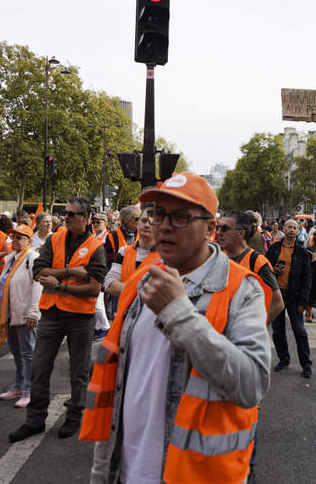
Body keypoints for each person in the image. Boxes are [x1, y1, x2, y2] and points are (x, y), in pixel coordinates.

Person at [82, 172, 270, 484]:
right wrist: (100, 473)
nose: (164, 225)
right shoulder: (141, 281)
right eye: (158, 214)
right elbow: (116, 390)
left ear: (210, 228)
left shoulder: (242, 290)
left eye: (181, 216)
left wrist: (179, 314)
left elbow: (251, 385)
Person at [9, 197, 106, 443]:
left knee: (79, 371)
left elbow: (94, 288)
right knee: (40, 369)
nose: (68, 217)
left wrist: (59, 285)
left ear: (85, 218)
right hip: (51, 313)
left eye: (73, 214)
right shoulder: (55, 239)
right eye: (66, 213)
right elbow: (39, 271)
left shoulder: (96, 247)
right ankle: (35, 420)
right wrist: (71, 274)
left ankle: (74, 416)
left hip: (80, 317)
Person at [0, 223, 42, 409]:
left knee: (28, 353)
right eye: (13, 237)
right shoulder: (11, 258)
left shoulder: (33, 258)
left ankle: (29, 389)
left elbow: (38, 286)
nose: (15, 240)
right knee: (17, 352)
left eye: (20, 237)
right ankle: (19, 385)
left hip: (24, 314)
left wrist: (33, 312)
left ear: (29, 240)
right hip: (10, 313)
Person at [216, 210, 284, 323]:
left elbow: (278, 304)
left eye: (224, 228)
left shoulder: (257, 261)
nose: (218, 232)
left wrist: (255, 329)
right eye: (217, 227)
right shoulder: (219, 258)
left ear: (240, 233)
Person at [266, 219, 313, 378]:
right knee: (278, 331)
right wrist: (274, 271)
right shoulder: (273, 249)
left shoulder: (302, 253)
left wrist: (304, 301)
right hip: (277, 295)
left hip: (295, 296)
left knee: (299, 331)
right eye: (289, 227)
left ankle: (306, 364)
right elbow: (264, 270)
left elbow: (307, 278)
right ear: (283, 229)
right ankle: (283, 359)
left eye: (295, 228)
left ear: (298, 231)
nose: (292, 230)